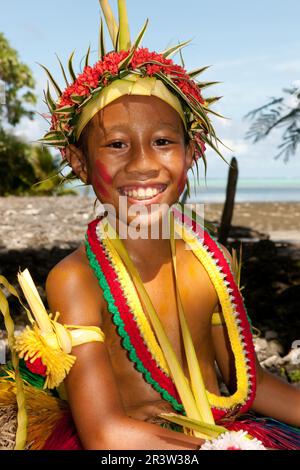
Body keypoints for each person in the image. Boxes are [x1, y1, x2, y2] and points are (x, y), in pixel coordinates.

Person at [1, 0, 300, 451]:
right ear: (80, 163)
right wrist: (223, 448)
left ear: (191, 153)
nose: (143, 164)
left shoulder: (209, 260)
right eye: (117, 144)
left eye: (163, 142)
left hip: (223, 433)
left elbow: (248, 383)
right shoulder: (76, 280)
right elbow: (105, 435)